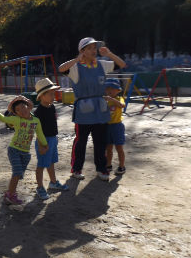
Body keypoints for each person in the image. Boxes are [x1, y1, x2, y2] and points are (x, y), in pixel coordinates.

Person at [58, 37, 126, 181]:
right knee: (81, 142)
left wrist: (109, 54)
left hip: (100, 111)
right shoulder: (76, 68)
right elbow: (61, 68)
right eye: (89, 48)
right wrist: (77, 59)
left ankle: (101, 169)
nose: (93, 51)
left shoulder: (101, 64)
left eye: (94, 48)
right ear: (82, 51)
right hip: (83, 112)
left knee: (100, 142)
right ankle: (76, 169)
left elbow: (122, 64)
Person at [0, 95, 48, 205]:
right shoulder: (16, 119)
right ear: (16, 113)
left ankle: (9, 193)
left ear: (29, 107)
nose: (21, 110)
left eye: (23, 107)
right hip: (14, 150)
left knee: (18, 175)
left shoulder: (36, 121)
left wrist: (45, 145)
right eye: (18, 110)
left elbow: (40, 134)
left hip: (25, 153)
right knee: (17, 173)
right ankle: (12, 195)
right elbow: (4, 118)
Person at [33, 78, 69, 200]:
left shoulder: (52, 107)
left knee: (51, 162)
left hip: (53, 139)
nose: (53, 96)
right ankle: (39, 187)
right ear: (42, 96)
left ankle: (53, 182)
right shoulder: (38, 112)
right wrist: (41, 144)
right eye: (50, 94)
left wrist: (55, 139)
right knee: (41, 165)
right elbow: (37, 131)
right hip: (44, 141)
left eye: (54, 93)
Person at [103, 78, 126, 175]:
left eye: (112, 88)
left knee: (119, 147)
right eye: (107, 88)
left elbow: (122, 106)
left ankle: (121, 166)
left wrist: (111, 99)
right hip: (107, 126)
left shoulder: (119, 99)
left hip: (117, 126)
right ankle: (108, 165)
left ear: (118, 90)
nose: (109, 91)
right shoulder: (104, 100)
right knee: (108, 148)